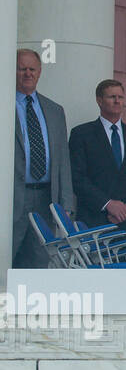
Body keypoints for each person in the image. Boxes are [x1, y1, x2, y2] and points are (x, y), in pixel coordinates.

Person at [12, 49, 76, 269]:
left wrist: (67, 203)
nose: (27, 74)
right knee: (5, 261)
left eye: (32, 69)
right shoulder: (4, 104)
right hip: (11, 199)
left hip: (45, 198)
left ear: (39, 73)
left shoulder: (54, 110)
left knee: (38, 264)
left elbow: (63, 162)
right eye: (22, 69)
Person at [68, 80, 126, 245]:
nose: (117, 101)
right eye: (112, 97)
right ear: (99, 100)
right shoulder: (82, 134)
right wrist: (108, 204)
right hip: (94, 221)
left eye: (120, 97)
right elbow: (77, 177)